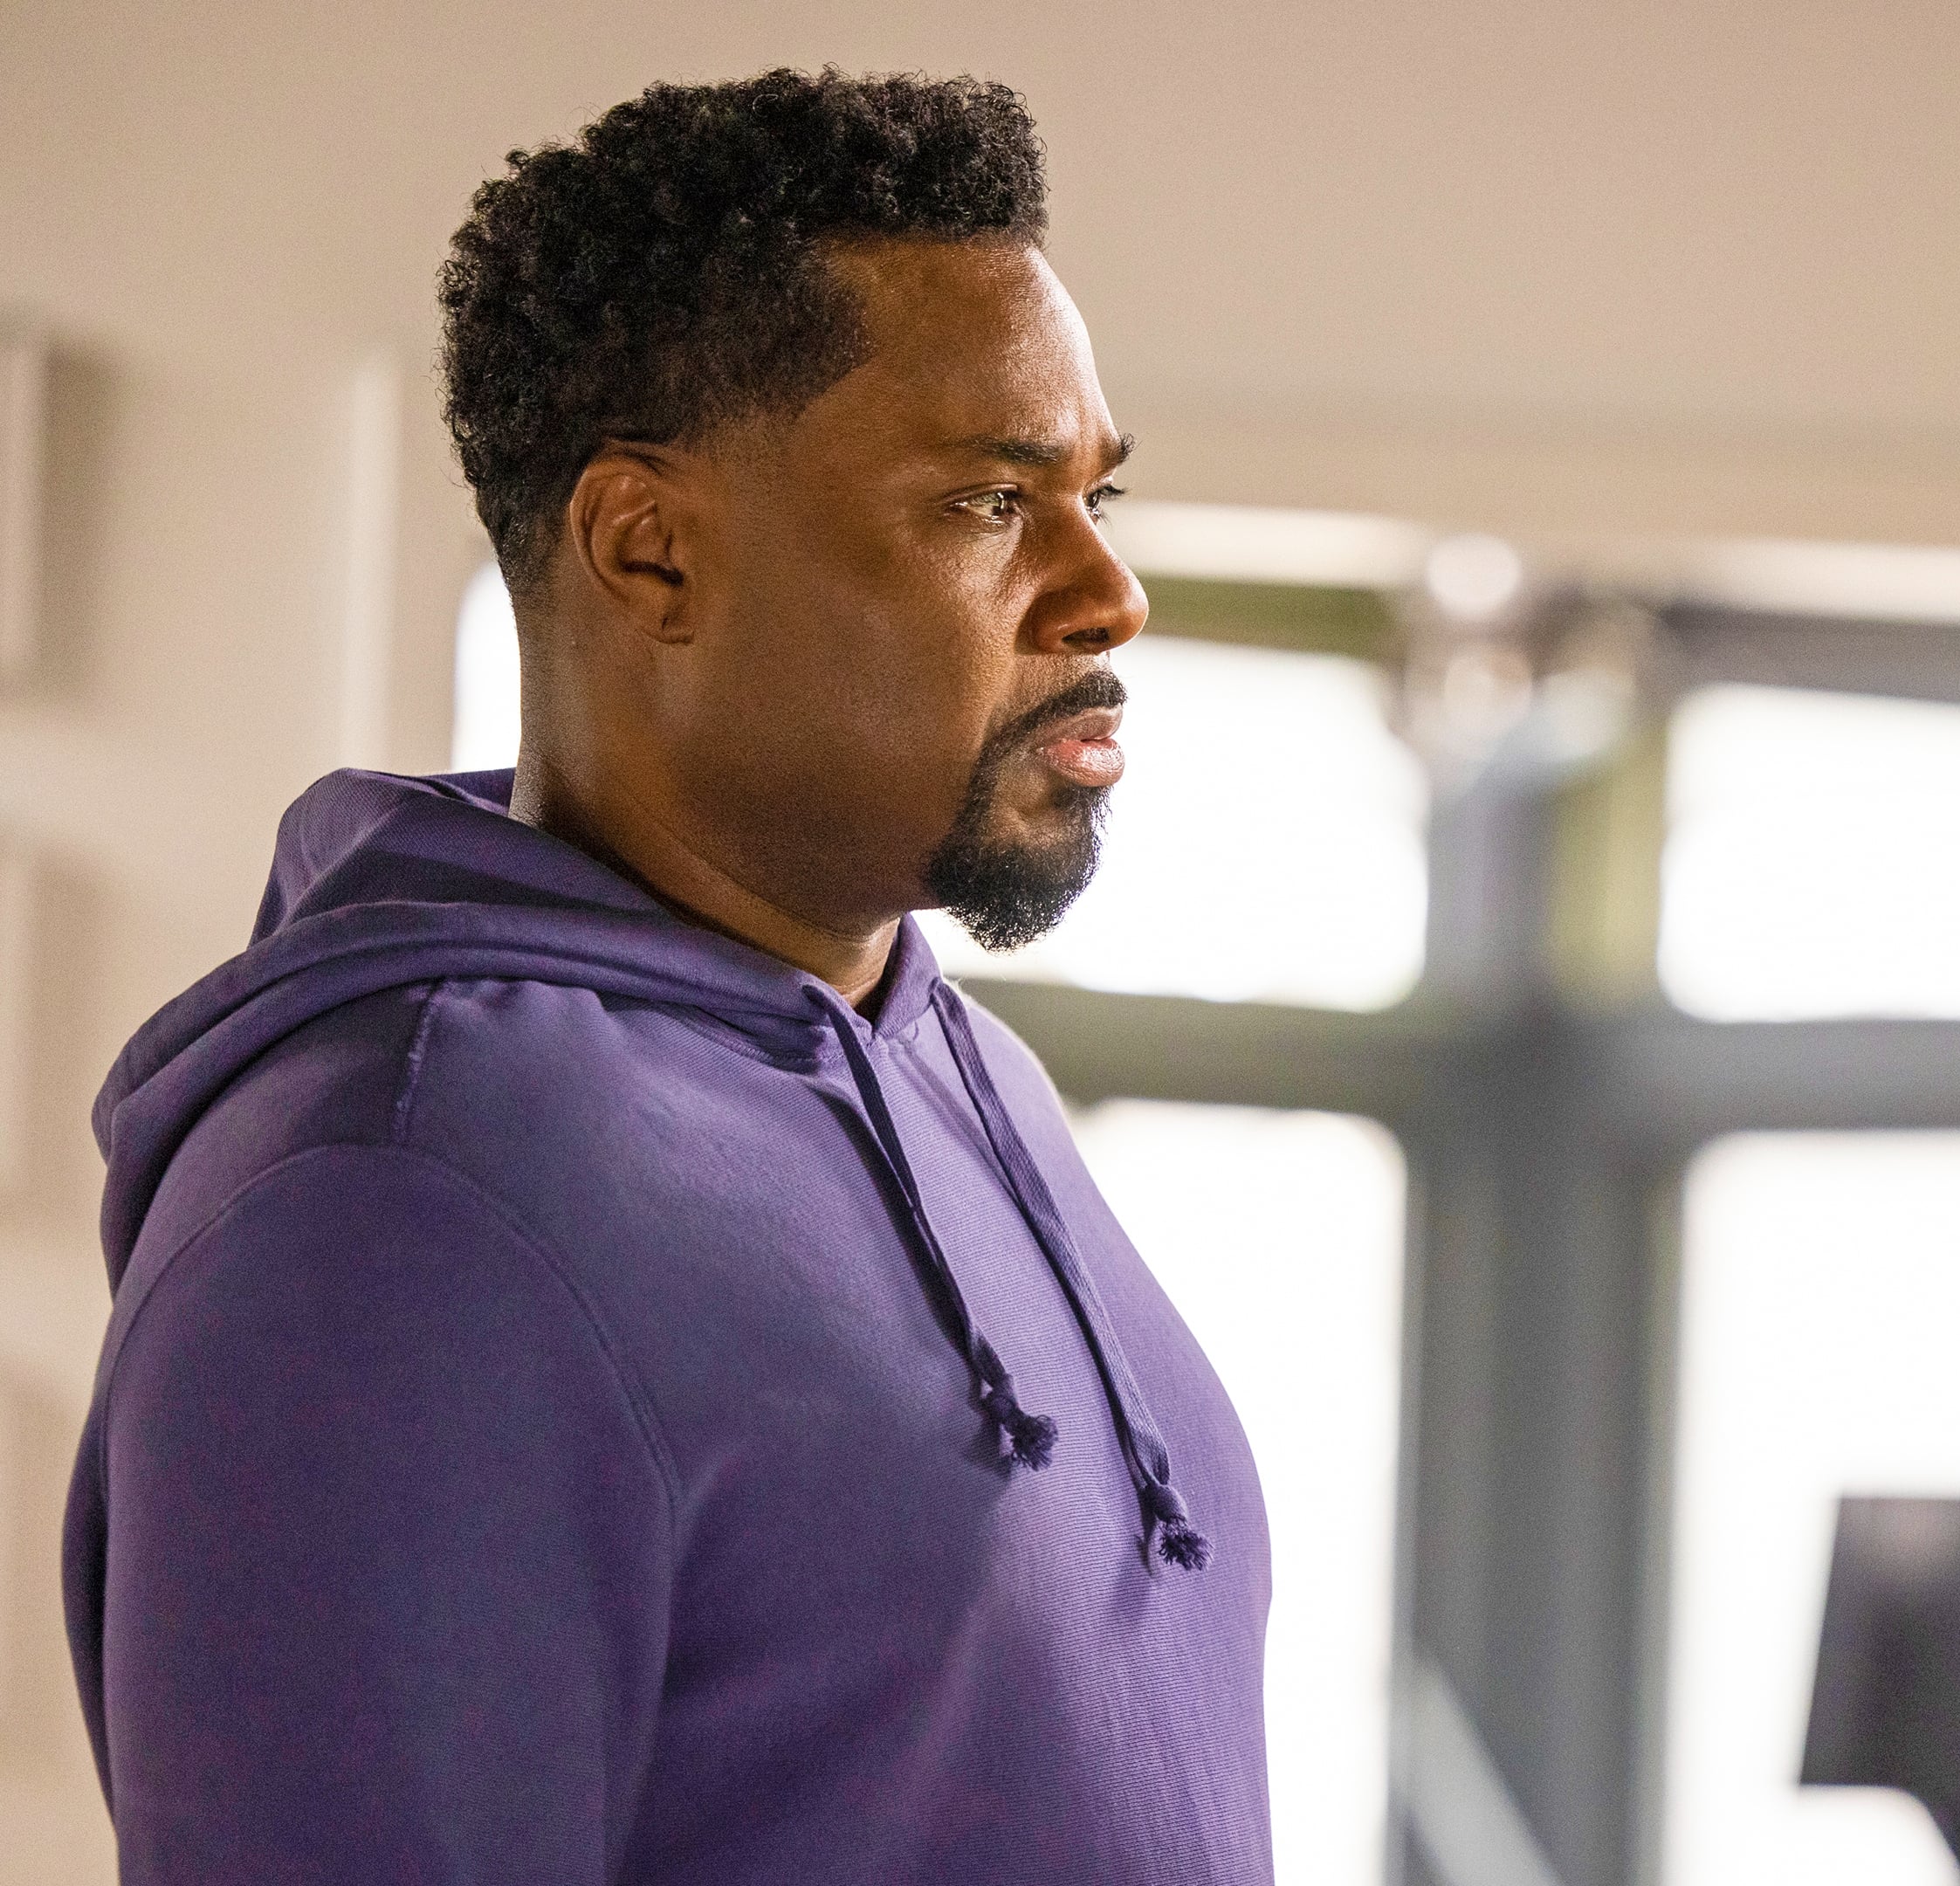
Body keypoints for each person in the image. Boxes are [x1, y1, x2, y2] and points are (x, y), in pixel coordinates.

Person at [64, 71, 1271, 1883]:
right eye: (987, 502)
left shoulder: (961, 1069)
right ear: (649, 548)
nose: (1109, 592)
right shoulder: (397, 1198)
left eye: (1096, 493)